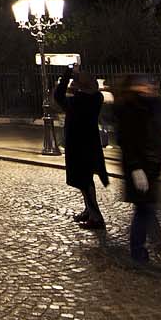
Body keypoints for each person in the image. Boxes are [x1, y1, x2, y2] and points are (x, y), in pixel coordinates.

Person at [115, 75, 161, 266]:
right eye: (146, 85)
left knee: (147, 209)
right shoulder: (130, 108)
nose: (150, 88)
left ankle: (151, 247)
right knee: (144, 209)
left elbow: (157, 136)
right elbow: (127, 141)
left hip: (152, 166)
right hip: (140, 167)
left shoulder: (152, 105)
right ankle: (138, 250)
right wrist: (136, 168)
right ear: (136, 87)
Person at [55, 67, 108, 230]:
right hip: (90, 142)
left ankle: (96, 217)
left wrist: (66, 77)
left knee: (84, 181)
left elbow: (58, 96)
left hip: (78, 145)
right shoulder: (96, 98)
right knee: (86, 179)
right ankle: (89, 211)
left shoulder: (77, 102)